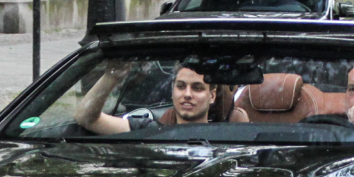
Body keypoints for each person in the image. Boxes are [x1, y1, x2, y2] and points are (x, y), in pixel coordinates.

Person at [75, 62, 246, 133]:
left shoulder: (226, 138)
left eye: (197, 88)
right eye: (180, 86)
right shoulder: (148, 130)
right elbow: (86, 118)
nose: (187, 94)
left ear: (212, 96)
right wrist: (111, 77)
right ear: (172, 92)